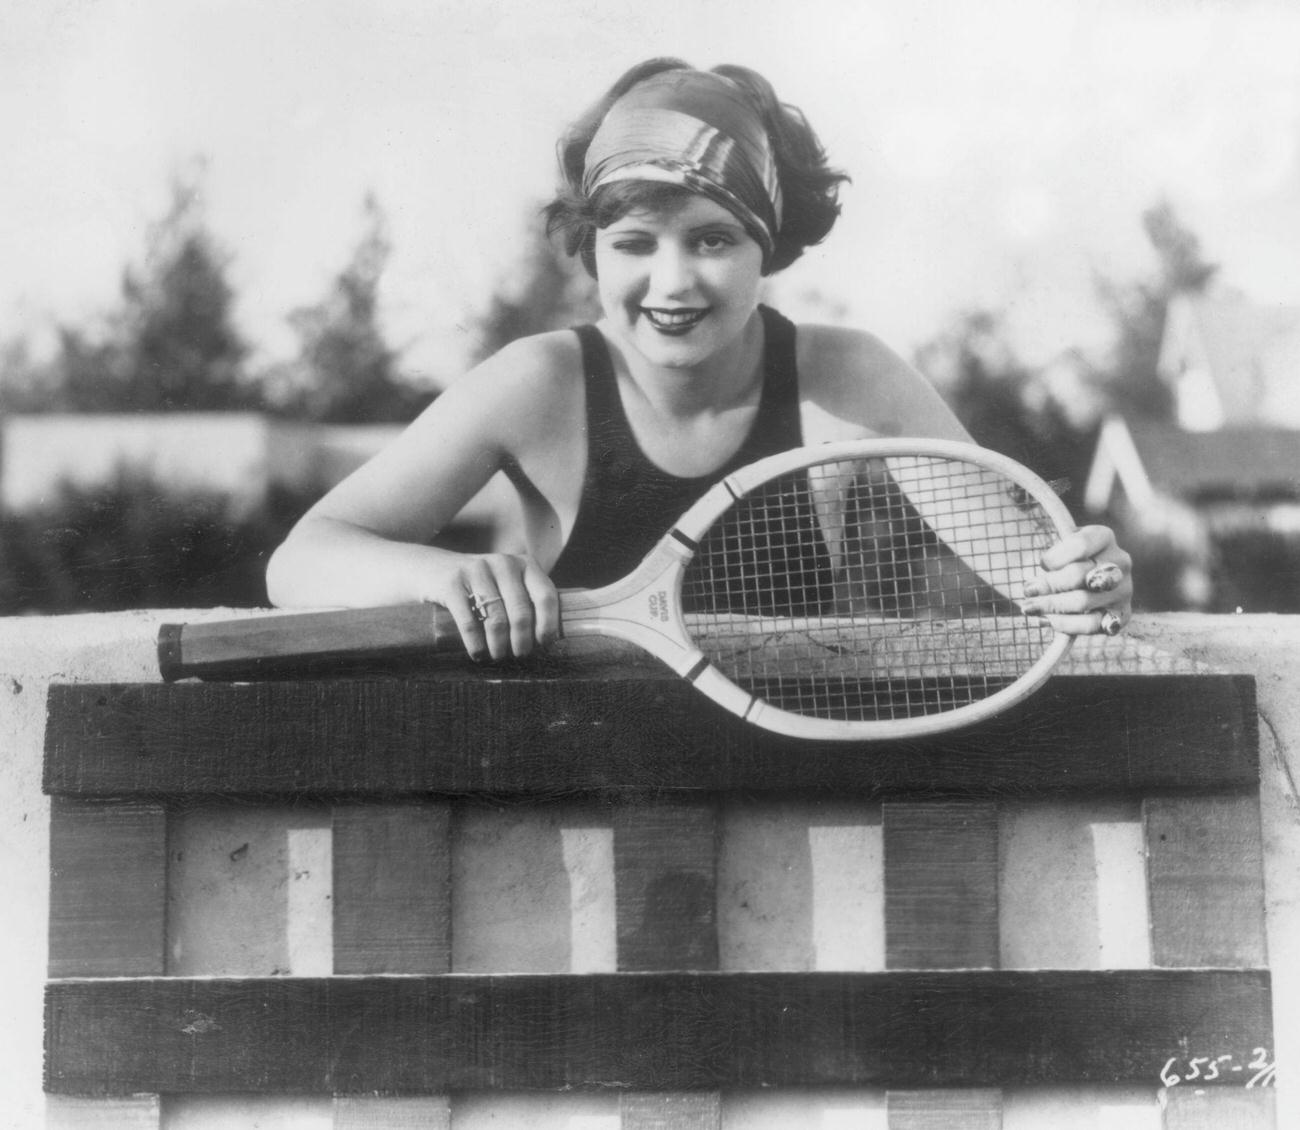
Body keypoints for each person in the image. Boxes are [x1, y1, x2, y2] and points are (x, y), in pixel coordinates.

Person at [265, 58, 1132, 660]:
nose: (671, 282)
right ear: (592, 250)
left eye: (714, 239)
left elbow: (1032, 572)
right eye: (635, 242)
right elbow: (300, 561)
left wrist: (1083, 580)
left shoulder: (849, 379)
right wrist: (448, 574)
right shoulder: (536, 384)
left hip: (780, 797)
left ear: (769, 250)